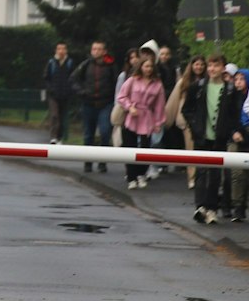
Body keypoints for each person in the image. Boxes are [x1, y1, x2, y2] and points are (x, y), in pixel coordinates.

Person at [115, 54, 166, 190]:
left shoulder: (157, 84)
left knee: (145, 148)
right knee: (129, 147)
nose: (148, 69)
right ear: (141, 67)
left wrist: (158, 122)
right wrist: (129, 106)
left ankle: (141, 174)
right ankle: (131, 177)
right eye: (146, 66)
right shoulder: (132, 80)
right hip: (132, 116)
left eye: (150, 66)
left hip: (147, 117)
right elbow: (121, 96)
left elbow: (159, 105)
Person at [73, 40, 120, 173]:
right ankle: (88, 163)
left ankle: (102, 162)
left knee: (105, 132)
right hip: (88, 104)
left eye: (99, 49)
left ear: (104, 51)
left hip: (105, 103)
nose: (96, 52)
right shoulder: (86, 65)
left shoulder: (111, 66)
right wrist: (82, 92)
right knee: (88, 134)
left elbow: (117, 83)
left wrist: (113, 97)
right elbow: (74, 80)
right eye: (94, 49)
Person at [165, 56, 208, 204]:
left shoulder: (207, 82)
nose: (199, 67)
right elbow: (173, 101)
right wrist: (167, 120)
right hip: (187, 121)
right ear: (192, 66)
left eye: (202, 64)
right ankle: (192, 177)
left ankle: (202, 177)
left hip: (204, 120)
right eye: (196, 64)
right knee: (190, 150)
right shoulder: (183, 82)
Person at [40, 41, 76, 144]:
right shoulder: (51, 62)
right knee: (54, 115)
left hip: (65, 94)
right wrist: (50, 89)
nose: (61, 51)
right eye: (59, 49)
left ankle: (60, 137)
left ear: (66, 50)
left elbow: (73, 78)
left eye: (63, 48)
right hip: (53, 94)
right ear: (56, 50)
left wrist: (70, 90)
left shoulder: (70, 63)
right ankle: (53, 137)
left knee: (62, 116)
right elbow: (46, 77)